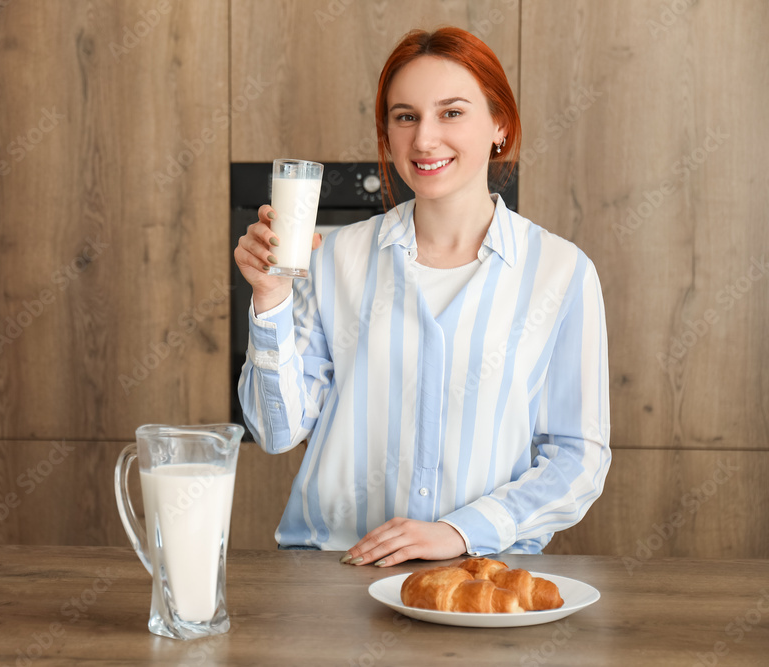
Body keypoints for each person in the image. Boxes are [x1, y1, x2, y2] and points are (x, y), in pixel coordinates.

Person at [234, 27, 610, 567]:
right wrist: (270, 300)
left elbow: (576, 459)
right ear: (387, 132)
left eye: (451, 113)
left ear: (499, 124)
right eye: (405, 116)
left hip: (481, 577)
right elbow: (275, 433)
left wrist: (460, 532)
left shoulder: (562, 273)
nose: (425, 139)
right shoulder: (333, 258)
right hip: (332, 571)